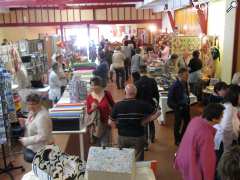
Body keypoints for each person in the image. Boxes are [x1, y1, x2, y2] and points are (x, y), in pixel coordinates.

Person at [175, 103, 225, 180]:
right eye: (221, 116)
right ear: (214, 119)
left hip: (184, 158)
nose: (223, 117)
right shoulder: (207, 135)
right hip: (192, 164)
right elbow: (207, 161)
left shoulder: (195, 120)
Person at [110, 84, 160, 161]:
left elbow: (111, 121)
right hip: (138, 136)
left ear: (125, 92)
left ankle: (125, 172)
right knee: (138, 158)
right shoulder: (142, 104)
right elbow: (157, 113)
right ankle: (137, 172)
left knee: (123, 158)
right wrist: (146, 120)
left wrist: (117, 127)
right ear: (136, 93)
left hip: (122, 136)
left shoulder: (118, 105)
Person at [19, 93, 53, 162]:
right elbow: (35, 124)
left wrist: (27, 140)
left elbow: (43, 136)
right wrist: (25, 121)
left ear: (39, 103)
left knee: (27, 155)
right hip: (35, 146)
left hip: (42, 148)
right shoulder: (34, 111)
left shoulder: (42, 117)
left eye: (33, 104)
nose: (30, 106)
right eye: (29, 104)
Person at [86, 76, 114, 146]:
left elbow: (114, 106)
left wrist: (112, 118)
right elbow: (88, 112)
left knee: (105, 146)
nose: (92, 87)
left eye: (94, 85)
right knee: (96, 146)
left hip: (106, 125)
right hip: (95, 127)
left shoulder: (107, 94)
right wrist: (92, 108)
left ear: (99, 85)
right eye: (91, 85)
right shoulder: (89, 97)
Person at [214, 85, 240, 160]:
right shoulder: (228, 108)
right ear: (235, 96)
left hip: (226, 140)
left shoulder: (231, 106)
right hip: (224, 142)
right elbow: (226, 129)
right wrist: (228, 149)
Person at [135, 65, 160, 143]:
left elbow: (135, 96)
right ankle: (152, 138)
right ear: (146, 71)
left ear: (139, 72)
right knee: (151, 121)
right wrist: (157, 104)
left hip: (141, 106)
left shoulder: (137, 83)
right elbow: (156, 94)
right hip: (151, 105)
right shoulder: (152, 81)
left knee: (144, 122)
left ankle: (145, 142)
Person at [167, 68, 190, 145]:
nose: (188, 76)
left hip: (186, 107)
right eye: (186, 75)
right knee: (177, 124)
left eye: (188, 75)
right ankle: (177, 140)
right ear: (180, 75)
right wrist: (177, 107)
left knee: (187, 122)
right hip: (179, 108)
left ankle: (182, 137)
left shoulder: (185, 83)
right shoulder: (174, 86)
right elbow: (169, 101)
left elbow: (185, 94)